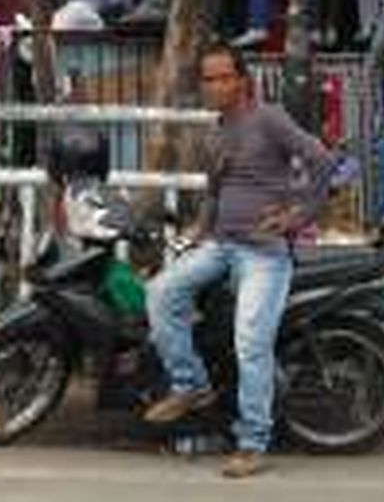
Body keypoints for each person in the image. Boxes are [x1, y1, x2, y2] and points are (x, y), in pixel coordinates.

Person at [143, 41, 335, 479]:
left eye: (223, 77)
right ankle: (191, 385)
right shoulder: (216, 131)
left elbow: (322, 161)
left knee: (250, 342)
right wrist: (200, 229)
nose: (214, 86)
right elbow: (214, 190)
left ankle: (252, 442)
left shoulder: (270, 119)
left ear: (242, 81)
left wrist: (298, 215)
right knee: (160, 293)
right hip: (221, 244)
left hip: (264, 255)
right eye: (208, 79)